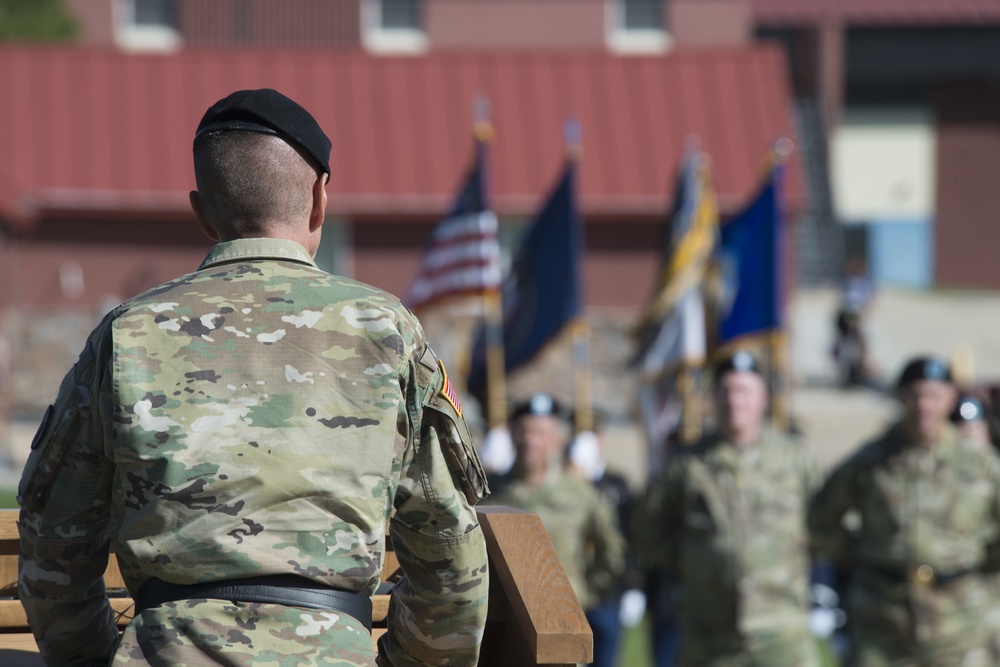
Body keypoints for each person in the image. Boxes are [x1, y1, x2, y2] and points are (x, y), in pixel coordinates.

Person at [17, 88, 490, 667]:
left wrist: (99, 658)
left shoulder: (127, 333)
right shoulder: (385, 329)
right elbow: (450, 553)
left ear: (201, 212)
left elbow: (54, 546)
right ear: (320, 199)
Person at [809, 356, 1000, 666]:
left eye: (934, 395)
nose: (924, 405)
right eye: (915, 395)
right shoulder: (871, 462)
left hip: (960, 624)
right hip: (883, 621)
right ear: (900, 398)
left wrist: (977, 562)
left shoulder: (979, 465)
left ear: (950, 398)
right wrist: (861, 554)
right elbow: (820, 521)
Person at [635, 350, 822, 667]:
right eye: (726, 391)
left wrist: (789, 560)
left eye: (745, 391)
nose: (735, 401)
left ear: (763, 399)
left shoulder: (795, 460)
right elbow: (647, 529)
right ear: (713, 398)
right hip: (708, 630)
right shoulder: (688, 463)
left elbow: (825, 525)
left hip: (780, 628)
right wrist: (694, 561)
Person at [483, 392, 627, 660]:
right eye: (523, 431)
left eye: (539, 432)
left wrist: (584, 593)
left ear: (557, 439)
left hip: (562, 633)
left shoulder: (580, 494)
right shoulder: (491, 493)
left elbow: (613, 552)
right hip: (501, 628)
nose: (530, 440)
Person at [567, 411, 646, 667]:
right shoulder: (565, 482)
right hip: (569, 586)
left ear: (602, 438)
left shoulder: (617, 484)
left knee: (606, 655)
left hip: (607, 587)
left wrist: (634, 584)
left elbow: (630, 536)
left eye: (592, 434)